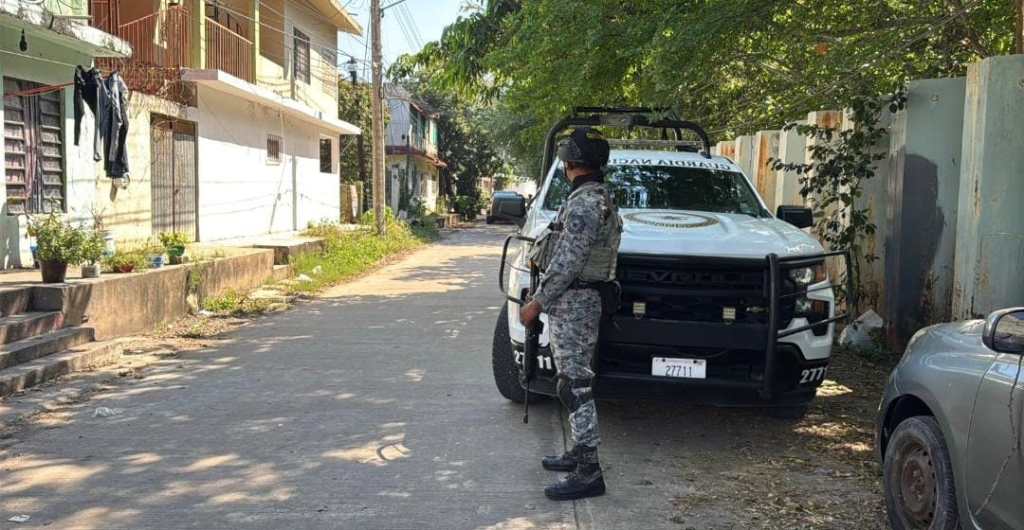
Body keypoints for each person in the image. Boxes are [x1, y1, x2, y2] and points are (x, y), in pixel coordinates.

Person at [519, 127, 621, 501]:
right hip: (577, 300)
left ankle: (590, 471)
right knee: (570, 381)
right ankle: (579, 452)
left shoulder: (584, 203)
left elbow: (567, 261)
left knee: (574, 386)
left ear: (571, 162)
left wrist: (537, 302)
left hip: (575, 302)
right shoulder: (594, 196)